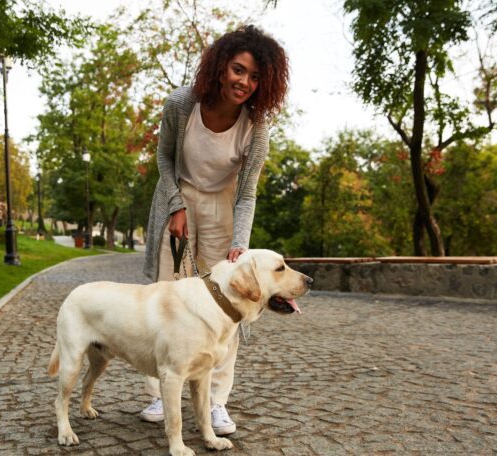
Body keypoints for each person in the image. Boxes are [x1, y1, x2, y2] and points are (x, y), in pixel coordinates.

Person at [141, 25, 289, 435]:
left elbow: (247, 194)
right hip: (178, 196)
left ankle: (217, 402)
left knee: (228, 305)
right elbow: (164, 159)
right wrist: (175, 206)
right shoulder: (181, 104)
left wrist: (240, 244)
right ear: (221, 66)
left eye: (255, 77)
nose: (245, 82)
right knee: (168, 296)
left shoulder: (256, 127)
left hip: (225, 207)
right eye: (239, 70)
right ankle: (158, 392)